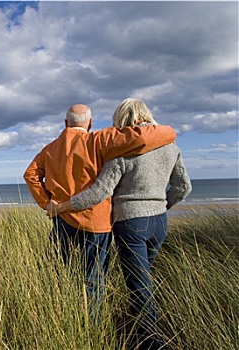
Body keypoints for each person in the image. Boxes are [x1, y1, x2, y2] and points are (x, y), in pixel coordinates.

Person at [55, 98, 192, 349]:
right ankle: (137, 326)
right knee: (143, 277)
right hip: (159, 222)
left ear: (121, 118)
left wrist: (64, 206)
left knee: (139, 283)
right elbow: (184, 187)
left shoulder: (123, 151)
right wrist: (161, 206)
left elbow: (100, 192)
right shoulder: (170, 146)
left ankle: (151, 341)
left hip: (131, 223)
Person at [23, 104, 177, 321]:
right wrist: (170, 131)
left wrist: (47, 203)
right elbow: (143, 138)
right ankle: (91, 326)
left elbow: (30, 175)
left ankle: (55, 318)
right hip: (96, 222)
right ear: (91, 123)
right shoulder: (98, 140)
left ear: (66, 123)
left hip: (62, 219)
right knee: (93, 280)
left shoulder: (50, 148)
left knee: (57, 274)